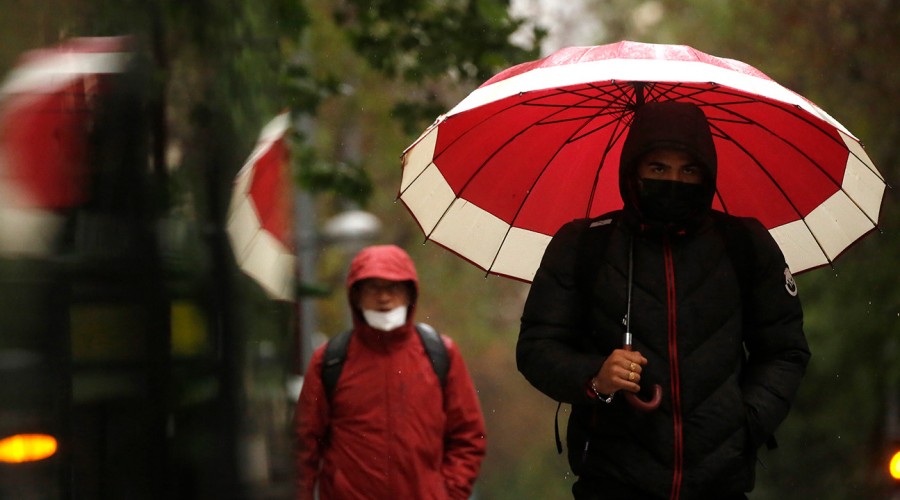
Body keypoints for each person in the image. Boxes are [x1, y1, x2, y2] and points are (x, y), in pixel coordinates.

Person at [516, 101, 810, 500]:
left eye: (688, 169)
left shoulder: (744, 243)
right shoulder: (584, 244)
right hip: (612, 482)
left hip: (719, 485)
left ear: (706, 175)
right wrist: (596, 378)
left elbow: (784, 350)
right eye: (658, 168)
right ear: (633, 170)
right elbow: (537, 348)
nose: (674, 180)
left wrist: (745, 421)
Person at [294, 244, 487, 500]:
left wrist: (448, 494)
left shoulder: (441, 354)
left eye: (393, 287)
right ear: (356, 295)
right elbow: (303, 445)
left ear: (410, 294)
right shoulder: (330, 360)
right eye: (373, 287)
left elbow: (469, 436)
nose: (383, 297)